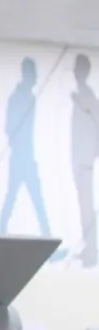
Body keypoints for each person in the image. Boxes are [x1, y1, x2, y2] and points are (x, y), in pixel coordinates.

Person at [0, 57, 50, 237]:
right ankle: (1, 231)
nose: (36, 78)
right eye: (33, 74)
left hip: (28, 157)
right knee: (13, 196)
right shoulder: (16, 98)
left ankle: (47, 235)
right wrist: (17, 143)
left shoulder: (31, 98)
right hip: (19, 158)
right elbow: (8, 128)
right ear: (27, 74)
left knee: (37, 199)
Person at [71, 53, 99, 268]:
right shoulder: (82, 95)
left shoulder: (87, 96)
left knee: (87, 207)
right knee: (84, 206)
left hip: (85, 161)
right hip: (79, 160)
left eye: (78, 68)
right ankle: (89, 249)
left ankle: (92, 252)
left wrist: (92, 154)